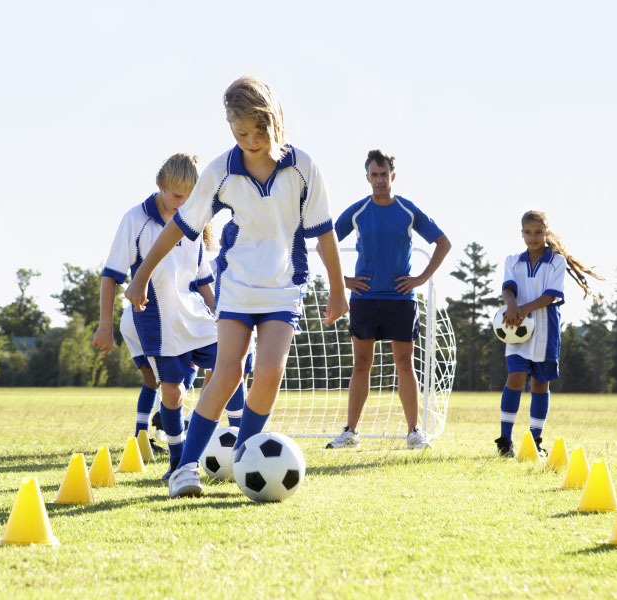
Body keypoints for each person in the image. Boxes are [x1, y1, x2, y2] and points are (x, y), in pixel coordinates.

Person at [125, 76, 347, 498]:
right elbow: (180, 227)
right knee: (227, 373)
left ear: (275, 122)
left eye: (258, 131)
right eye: (240, 132)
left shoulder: (303, 167)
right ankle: (185, 469)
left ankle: (247, 457)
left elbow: (324, 232)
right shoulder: (220, 171)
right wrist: (140, 276)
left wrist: (338, 290)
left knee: (269, 371)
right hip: (238, 284)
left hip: (283, 286)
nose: (250, 141)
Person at [93, 153, 239, 481]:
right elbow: (111, 274)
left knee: (232, 363)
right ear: (160, 186)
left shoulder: (194, 220)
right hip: (158, 321)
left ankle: (242, 441)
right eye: (176, 196)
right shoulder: (135, 220)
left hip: (197, 316)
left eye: (190, 197)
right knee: (172, 394)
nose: (183, 203)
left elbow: (202, 280)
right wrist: (105, 324)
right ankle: (178, 461)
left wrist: (220, 313)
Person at [324, 150, 451, 450]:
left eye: (384, 174)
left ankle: (414, 432)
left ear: (393, 176)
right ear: (367, 177)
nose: (379, 180)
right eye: (374, 175)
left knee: (405, 364)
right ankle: (350, 432)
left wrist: (420, 279)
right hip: (364, 300)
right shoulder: (358, 211)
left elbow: (443, 243)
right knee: (361, 365)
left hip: (400, 301)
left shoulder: (407, 210)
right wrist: (342, 282)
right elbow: (324, 243)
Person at [494, 210, 603, 457]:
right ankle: (504, 442)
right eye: (528, 233)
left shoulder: (556, 261)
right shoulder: (513, 260)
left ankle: (534, 442)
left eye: (538, 232)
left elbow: (552, 295)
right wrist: (511, 306)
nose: (533, 237)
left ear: (547, 232)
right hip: (517, 331)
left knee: (540, 384)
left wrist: (523, 309)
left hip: (546, 331)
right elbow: (508, 287)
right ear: (521, 233)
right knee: (516, 377)